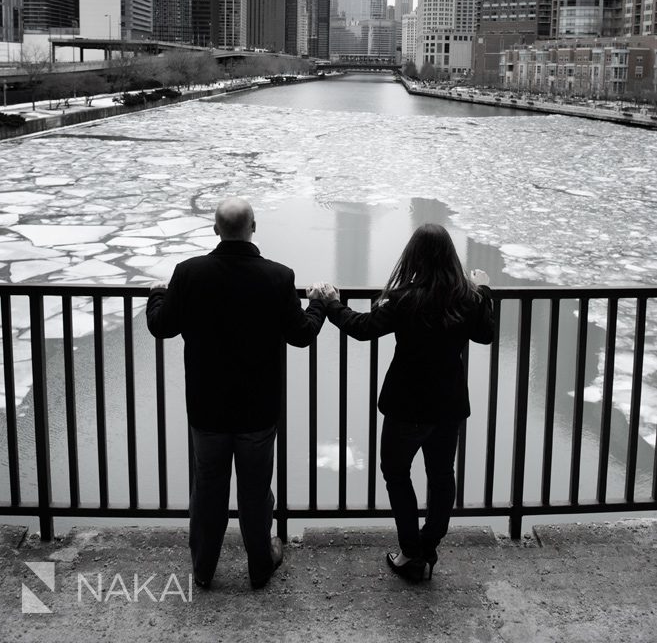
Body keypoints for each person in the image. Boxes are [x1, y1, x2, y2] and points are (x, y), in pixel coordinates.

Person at [146, 197, 326, 590]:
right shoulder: (278, 277)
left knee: (208, 490)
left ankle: (204, 569)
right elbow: (301, 335)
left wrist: (158, 294)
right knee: (255, 490)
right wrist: (318, 307)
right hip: (257, 409)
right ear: (254, 227)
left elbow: (162, 326)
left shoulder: (188, 273)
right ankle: (261, 564)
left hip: (207, 409)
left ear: (215, 230)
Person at [310, 223, 494, 583]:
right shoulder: (467, 297)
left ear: (413, 256)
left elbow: (362, 328)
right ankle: (428, 545)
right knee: (442, 476)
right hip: (448, 406)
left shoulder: (404, 299)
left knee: (397, 473)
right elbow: (485, 335)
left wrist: (331, 303)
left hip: (407, 405)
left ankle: (411, 550)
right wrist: (484, 289)